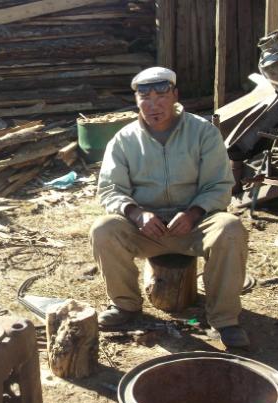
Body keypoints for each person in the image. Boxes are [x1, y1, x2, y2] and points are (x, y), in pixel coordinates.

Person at [89, 66, 250, 348]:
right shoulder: (124, 140)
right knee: (103, 229)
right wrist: (137, 214)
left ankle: (225, 319)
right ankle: (125, 305)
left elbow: (220, 184)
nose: (154, 106)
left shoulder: (203, 132)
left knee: (231, 228)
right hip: (146, 230)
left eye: (161, 97)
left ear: (175, 95)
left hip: (194, 227)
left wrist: (194, 213)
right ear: (137, 101)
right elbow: (110, 189)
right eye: (145, 99)